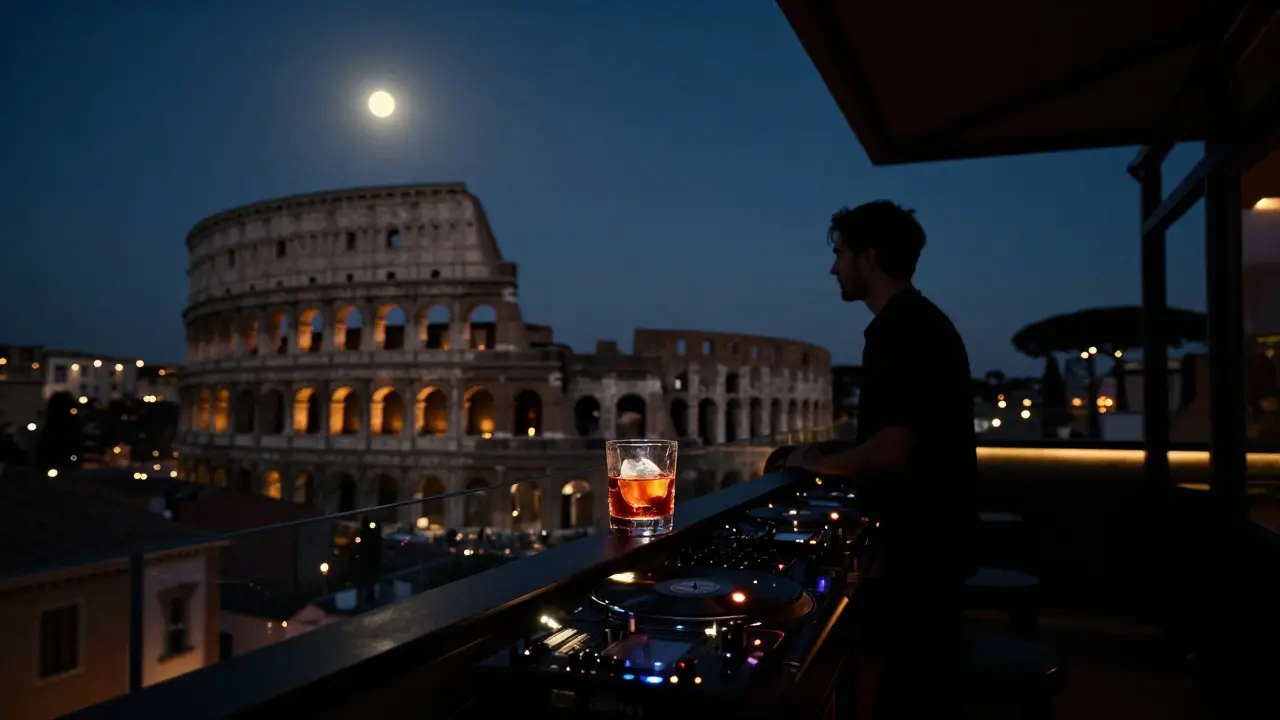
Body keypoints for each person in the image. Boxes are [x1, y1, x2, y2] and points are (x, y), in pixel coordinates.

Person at [785, 200, 979, 717]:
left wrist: (810, 460)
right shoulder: (921, 321)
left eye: (840, 254)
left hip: (924, 546)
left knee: (909, 690)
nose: (833, 268)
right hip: (939, 539)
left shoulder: (901, 329)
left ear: (869, 259)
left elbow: (893, 451)